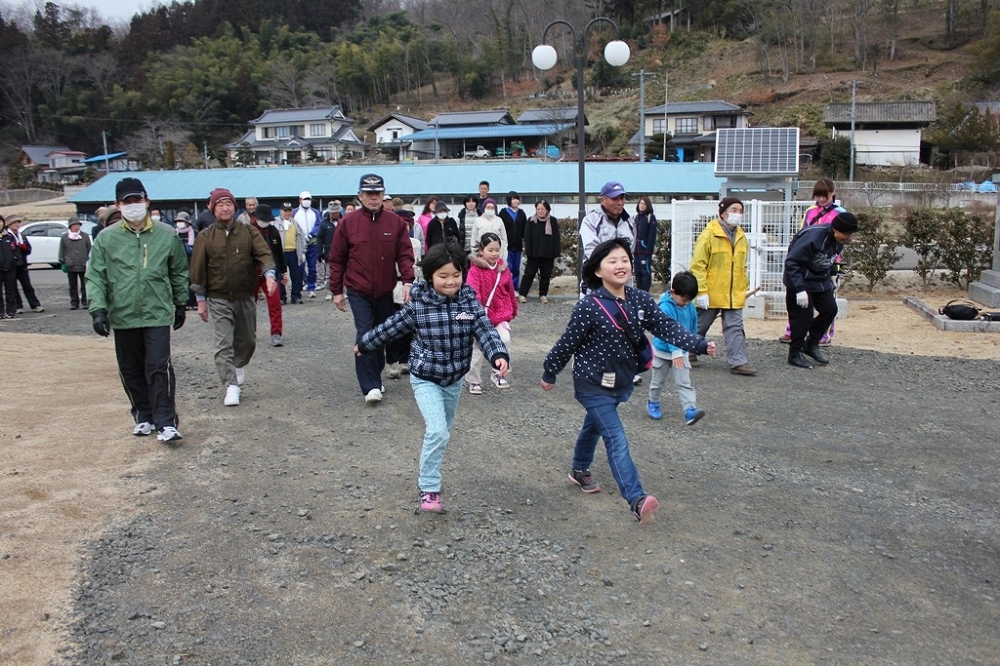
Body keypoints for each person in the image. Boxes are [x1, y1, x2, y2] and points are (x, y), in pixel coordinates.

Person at [541, 238, 715, 524]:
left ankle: (578, 469)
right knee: (615, 437)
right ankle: (636, 499)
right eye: (612, 261)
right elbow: (567, 343)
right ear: (598, 270)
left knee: (594, 426)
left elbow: (666, 326)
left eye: (624, 259)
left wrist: (698, 343)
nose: (620, 265)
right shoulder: (589, 306)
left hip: (621, 382)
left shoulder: (640, 300)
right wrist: (550, 371)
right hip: (591, 383)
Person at [354, 242, 510, 513]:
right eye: (443, 275)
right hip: (425, 377)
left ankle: (430, 478)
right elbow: (389, 328)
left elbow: (485, 330)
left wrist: (498, 353)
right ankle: (429, 488)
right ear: (430, 277)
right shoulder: (419, 306)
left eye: (456, 275)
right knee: (437, 430)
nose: (451, 281)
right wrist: (365, 344)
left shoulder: (469, 302)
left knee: (443, 433)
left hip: (454, 379)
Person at [86, 177, 190, 442]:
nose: (133, 205)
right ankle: (144, 415)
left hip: (157, 312)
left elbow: (178, 271)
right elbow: (95, 276)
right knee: (130, 368)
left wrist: (180, 304)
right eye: (127, 201)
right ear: (118, 205)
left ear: (147, 201)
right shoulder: (106, 239)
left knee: (158, 366)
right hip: (123, 313)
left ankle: (166, 421)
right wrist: (98, 309)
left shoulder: (166, 235)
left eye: (137, 200)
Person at [328, 173, 416, 404]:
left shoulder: (395, 223)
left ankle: (375, 375)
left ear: (383, 195)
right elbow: (336, 259)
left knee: (381, 335)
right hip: (358, 290)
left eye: (377, 193)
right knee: (365, 333)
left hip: (385, 290)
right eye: (368, 193)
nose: (373, 198)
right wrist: (336, 290)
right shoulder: (348, 223)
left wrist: (408, 281)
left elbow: (405, 255)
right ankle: (370, 386)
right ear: (360, 196)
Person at [189, 187, 278, 406]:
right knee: (223, 343)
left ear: (234, 207)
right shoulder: (205, 236)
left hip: (245, 295)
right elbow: (198, 269)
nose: (225, 208)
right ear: (212, 209)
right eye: (219, 204)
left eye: (228, 204)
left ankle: (238, 366)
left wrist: (269, 274)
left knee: (247, 340)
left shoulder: (249, 232)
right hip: (218, 297)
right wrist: (200, 300)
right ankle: (230, 385)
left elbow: (264, 253)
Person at [690, 197, 757, 376]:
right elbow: (698, 265)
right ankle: (687, 350)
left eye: (740, 210)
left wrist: (744, 285)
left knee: (735, 327)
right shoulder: (709, 234)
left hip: (733, 292)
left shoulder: (741, 236)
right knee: (700, 325)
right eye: (733, 209)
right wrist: (701, 291)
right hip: (712, 291)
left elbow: (742, 265)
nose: (737, 214)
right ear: (723, 212)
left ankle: (738, 362)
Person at [783, 211, 857, 369]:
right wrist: (799, 289)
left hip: (819, 280)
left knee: (830, 309)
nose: (850, 238)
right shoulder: (814, 238)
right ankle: (795, 353)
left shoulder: (838, 241)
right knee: (803, 317)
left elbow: (829, 259)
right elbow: (792, 263)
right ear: (836, 229)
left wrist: (832, 276)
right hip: (800, 279)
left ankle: (811, 343)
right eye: (847, 234)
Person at [780, 177, 847, 346]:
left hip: (827, 263)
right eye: (818, 195)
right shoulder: (810, 211)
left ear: (832, 193)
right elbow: (803, 233)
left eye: (824, 195)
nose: (821, 199)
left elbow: (842, 239)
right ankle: (793, 331)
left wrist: (835, 267)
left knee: (828, 302)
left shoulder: (840, 213)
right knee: (800, 301)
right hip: (807, 262)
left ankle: (822, 335)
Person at [647, 271, 705, 426]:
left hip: (681, 351)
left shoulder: (689, 305)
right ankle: (653, 403)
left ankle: (689, 410)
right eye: (684, 299)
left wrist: (695, 342)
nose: (686, 303)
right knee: (657, 382)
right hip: (662, 351)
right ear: (673, 292)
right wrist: (677, 352)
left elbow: (693, 325)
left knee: (684, 382)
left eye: (689, 300)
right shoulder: (665, 307)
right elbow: (669, 332)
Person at [464, 232, 517, 394]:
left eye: (497, 250)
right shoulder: (475, 271)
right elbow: (473, 292)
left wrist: (513, 309)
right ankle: (473, 380)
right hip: (481, 316)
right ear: (481, 250)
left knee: (505, 340)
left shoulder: (503, 269)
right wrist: (477, 311)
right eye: (490, 250)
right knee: (477, 349)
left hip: (501, 314)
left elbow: (510, 291)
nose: (494, 253)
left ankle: (498, 372)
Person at [579, 181, 634, 294]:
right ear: (602, 200)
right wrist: (611, 267)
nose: (620, 202)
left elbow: (631, 253)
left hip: (623, 284)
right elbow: (592, 251)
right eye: (615, 199)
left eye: (622, 198)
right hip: (597, 282)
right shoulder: (591, 220)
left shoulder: (629, 222)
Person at [385, 215, 423, 380]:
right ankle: (391, 361)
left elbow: (418, 266)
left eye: (407, 225)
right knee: (393, 327)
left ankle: (404, 359)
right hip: (393, 286)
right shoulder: (387, 243)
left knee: (409, 328)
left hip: (412, 287)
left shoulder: (415, 243)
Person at [247, 203, 287, 347]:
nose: (265, 222)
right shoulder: (247, 232)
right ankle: (248, 333)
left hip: (270, 272)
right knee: (249, 305)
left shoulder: (273, 231)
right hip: (252, 273)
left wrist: (283, 271)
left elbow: (279, 253)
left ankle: (276, 333)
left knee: (275, 303)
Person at [518, 199, 560, 304]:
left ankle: (543, 295)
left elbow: (556, 238)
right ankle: (522, 294)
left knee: (545, 276)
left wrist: (556, 252)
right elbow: (527, 238)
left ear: (547, 210)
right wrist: (529, 251)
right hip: (534, 254)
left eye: (542, 209)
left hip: (548, 254)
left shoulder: (553, 221)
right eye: (538, 209)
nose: (540, 211)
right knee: (528, 275)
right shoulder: (531, 221)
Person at [5, 215, 44, 313]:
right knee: (13, 287)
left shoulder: (21, 235)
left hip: (22, 265)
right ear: (9, 225)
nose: (17, 225)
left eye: (18, 223)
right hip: (11, 266)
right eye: (14, 223)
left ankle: (35, 305)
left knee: (27, 286)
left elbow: (28, 250)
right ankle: (18, 306)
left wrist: (24, 248)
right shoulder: (5, 236)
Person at [58, 216, 92, 310]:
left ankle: (85, 302)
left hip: (83, 263)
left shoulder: (85, 236)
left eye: (78, 225)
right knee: (72, 285)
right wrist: (62, 261)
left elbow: (90, 249)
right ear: (70, 226)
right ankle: (74, 303)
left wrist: (90, 260)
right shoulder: (65, 237)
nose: (76, 227)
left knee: (85, 285)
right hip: (70, 264)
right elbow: (62, 249)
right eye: (74, 225)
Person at [293, 191, 321, 298]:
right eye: (304, 199)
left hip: (312, 243)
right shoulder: (294, 212)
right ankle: (299, 287)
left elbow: (318, 224)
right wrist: (300, 236)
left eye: (308, 199)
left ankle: (311, 288)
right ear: (300, 200)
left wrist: (311, 234)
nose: (306, 201)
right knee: (300, 267)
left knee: (312, 267)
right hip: (299, 244)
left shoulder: (315, 212)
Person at [276, 202, 306, 305]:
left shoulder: (295, 223)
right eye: (285, 211)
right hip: (281, 253)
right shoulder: (275, 223)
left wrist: (303, 251)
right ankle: (281, 297)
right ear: (281, 211)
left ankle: (296, 296)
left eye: (289, 210)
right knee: (280, 276)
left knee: (297, 276)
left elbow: (302, 237)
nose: (287, 213)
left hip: (294, 252)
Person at [498, 191, 527, 291]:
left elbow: (525, 230)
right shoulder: (503, 213)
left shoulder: (522, 214)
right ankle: (505, 288)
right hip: (506, 245)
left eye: (517, 198)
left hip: (518, 245)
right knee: (507, 268)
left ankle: (515, 288)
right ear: (509, 200)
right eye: (513, 198)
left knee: (516, 269)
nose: (515, 201)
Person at [317, 200, 340, 301]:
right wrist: (319, 251)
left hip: (342, 252)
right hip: (328, 251)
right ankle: (329, 291)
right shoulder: (324, 223)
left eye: (336, 212)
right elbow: (319, 238)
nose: (334, 214)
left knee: (342, 273)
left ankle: (342, 291)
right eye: (332, 212)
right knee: (329, 274)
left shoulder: (344, 221)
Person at [174, 211, 198, 309]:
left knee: (192, 282)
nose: (180, 223)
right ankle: (183, 303)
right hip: (178, 262)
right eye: (178, 221)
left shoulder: (194, 232)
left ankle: (193, 302)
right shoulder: (174, 233)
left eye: (182, 221)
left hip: (191, 261)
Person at [633, 196, 658, 292]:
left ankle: (645, 292)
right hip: (636, 250)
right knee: (637, 272)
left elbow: (652, 234)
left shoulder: (650, 217)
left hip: (645, 250)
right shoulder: (636, 218)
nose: (642, 206)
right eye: (640, 203)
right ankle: (639, 291)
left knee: (645, 272)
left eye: (644, 204)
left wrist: (649, 249)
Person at [0, 215, 18, 319]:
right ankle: (0, 312)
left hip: (10, 267)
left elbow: (16, 249)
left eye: (1, 221)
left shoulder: (9, 236)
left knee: (10, 290)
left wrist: (14, 258)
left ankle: (11, 310)